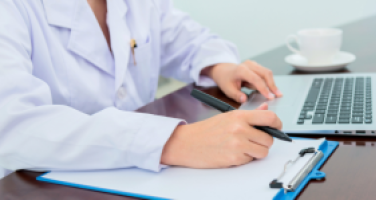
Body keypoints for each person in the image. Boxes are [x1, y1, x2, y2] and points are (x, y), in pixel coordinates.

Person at [0, 0, 284, 176]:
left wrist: (219, 66)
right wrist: (173, 142)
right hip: (39, 182)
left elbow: (184, 38)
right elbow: (13, 128)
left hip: (140, 174)